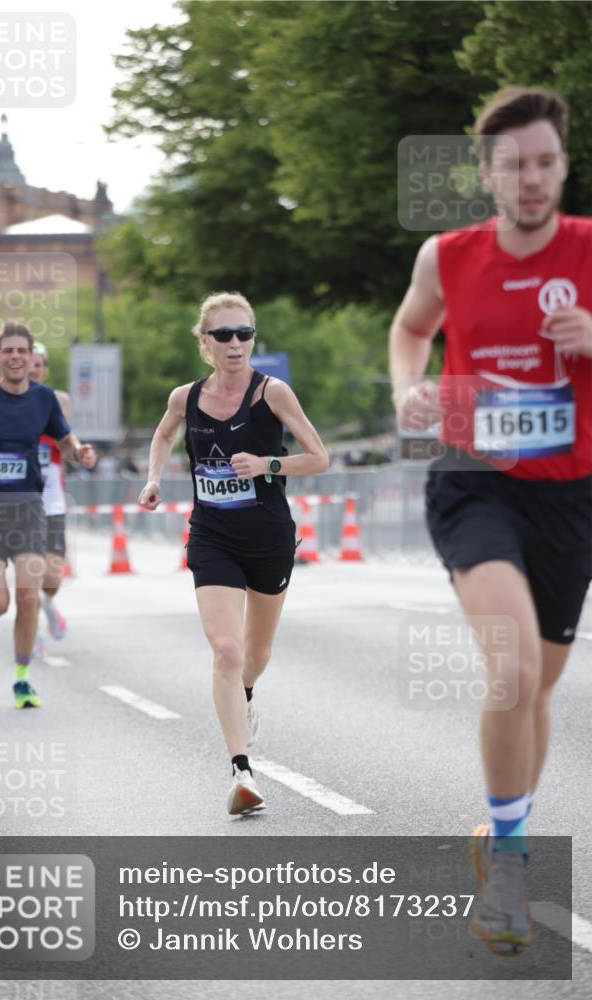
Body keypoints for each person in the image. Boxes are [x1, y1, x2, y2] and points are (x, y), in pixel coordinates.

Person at [389, 86, 592, 955]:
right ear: (487, 174)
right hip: (473, 480)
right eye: (515, 165)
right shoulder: (448, 255)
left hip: (569, 493)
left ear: (562, 166)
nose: (532, 178)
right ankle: (508, 865)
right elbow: (410, 328)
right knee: (510, 669)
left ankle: (498, 833)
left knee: (534, 690)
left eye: (545, 161)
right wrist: (409, 389)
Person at [139, 292, 329, 815]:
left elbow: (319, 459)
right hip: (212, 536)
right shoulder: (186, 396)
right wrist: (155, 479)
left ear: (252, 339)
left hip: (268, 537)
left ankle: (244, 694)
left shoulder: (273, 393)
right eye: (223, 335)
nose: (235, 344)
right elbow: (162, 435)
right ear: (205, 342)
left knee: (255, 655)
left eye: (243, 334)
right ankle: (241, 771)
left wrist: (268, 464)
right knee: (225, 648)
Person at [0, 323, 96, 709]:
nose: (15, 357)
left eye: (21, 351)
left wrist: (80, 452)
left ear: (30, 357)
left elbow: (65, 439)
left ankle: (22, 679)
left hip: (29, 510)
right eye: (7, 351)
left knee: (28, 595)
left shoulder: (44, 399)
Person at [29, 342, 79, 654]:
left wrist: (79, 452)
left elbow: (66, 441)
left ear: (44, 368)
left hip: (52, 502)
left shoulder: (58, 400)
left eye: (38, 363)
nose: (31, 368)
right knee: (28, 572)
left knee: (51, 578)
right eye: (27, 361)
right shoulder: (2, 403)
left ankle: (48, 605)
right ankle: (31, 630)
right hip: (19, 503)